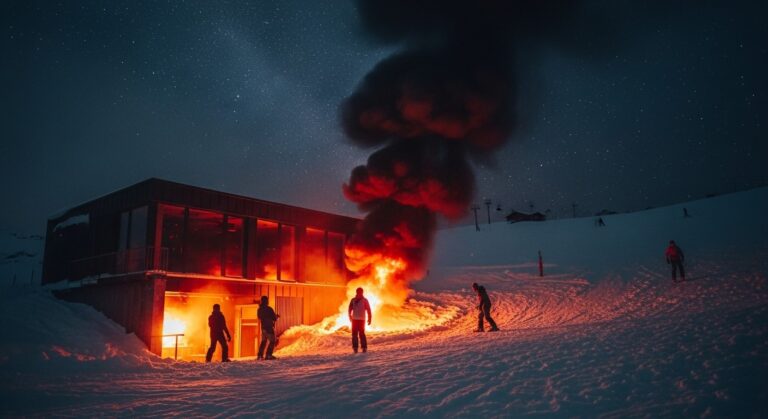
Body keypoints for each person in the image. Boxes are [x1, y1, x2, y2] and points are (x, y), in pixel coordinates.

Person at [348, 287, 372, 353]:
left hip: (362, 320)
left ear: (362, 292)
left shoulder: (365, 300)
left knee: (361, 334)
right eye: (358, 292)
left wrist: (370, 318)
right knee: (354, 334)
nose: (359, 293)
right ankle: (355, 348)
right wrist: (350, 316)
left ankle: (364, 347)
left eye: (360, 292)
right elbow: (350, 309)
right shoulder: (353, 300)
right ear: (356, 292)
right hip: (354, 320)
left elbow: (368, 310)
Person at [257, 296, 279, 360]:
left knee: (264, 341)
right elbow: (274, 318)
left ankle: (260, 355)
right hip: (269, 327)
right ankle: (268, 355)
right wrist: (276, 316)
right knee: (272, 341)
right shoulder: (269, 309)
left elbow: (259, 317)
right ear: (266, 301)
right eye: (267, 300)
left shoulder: (259, 309)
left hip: (263, 327)